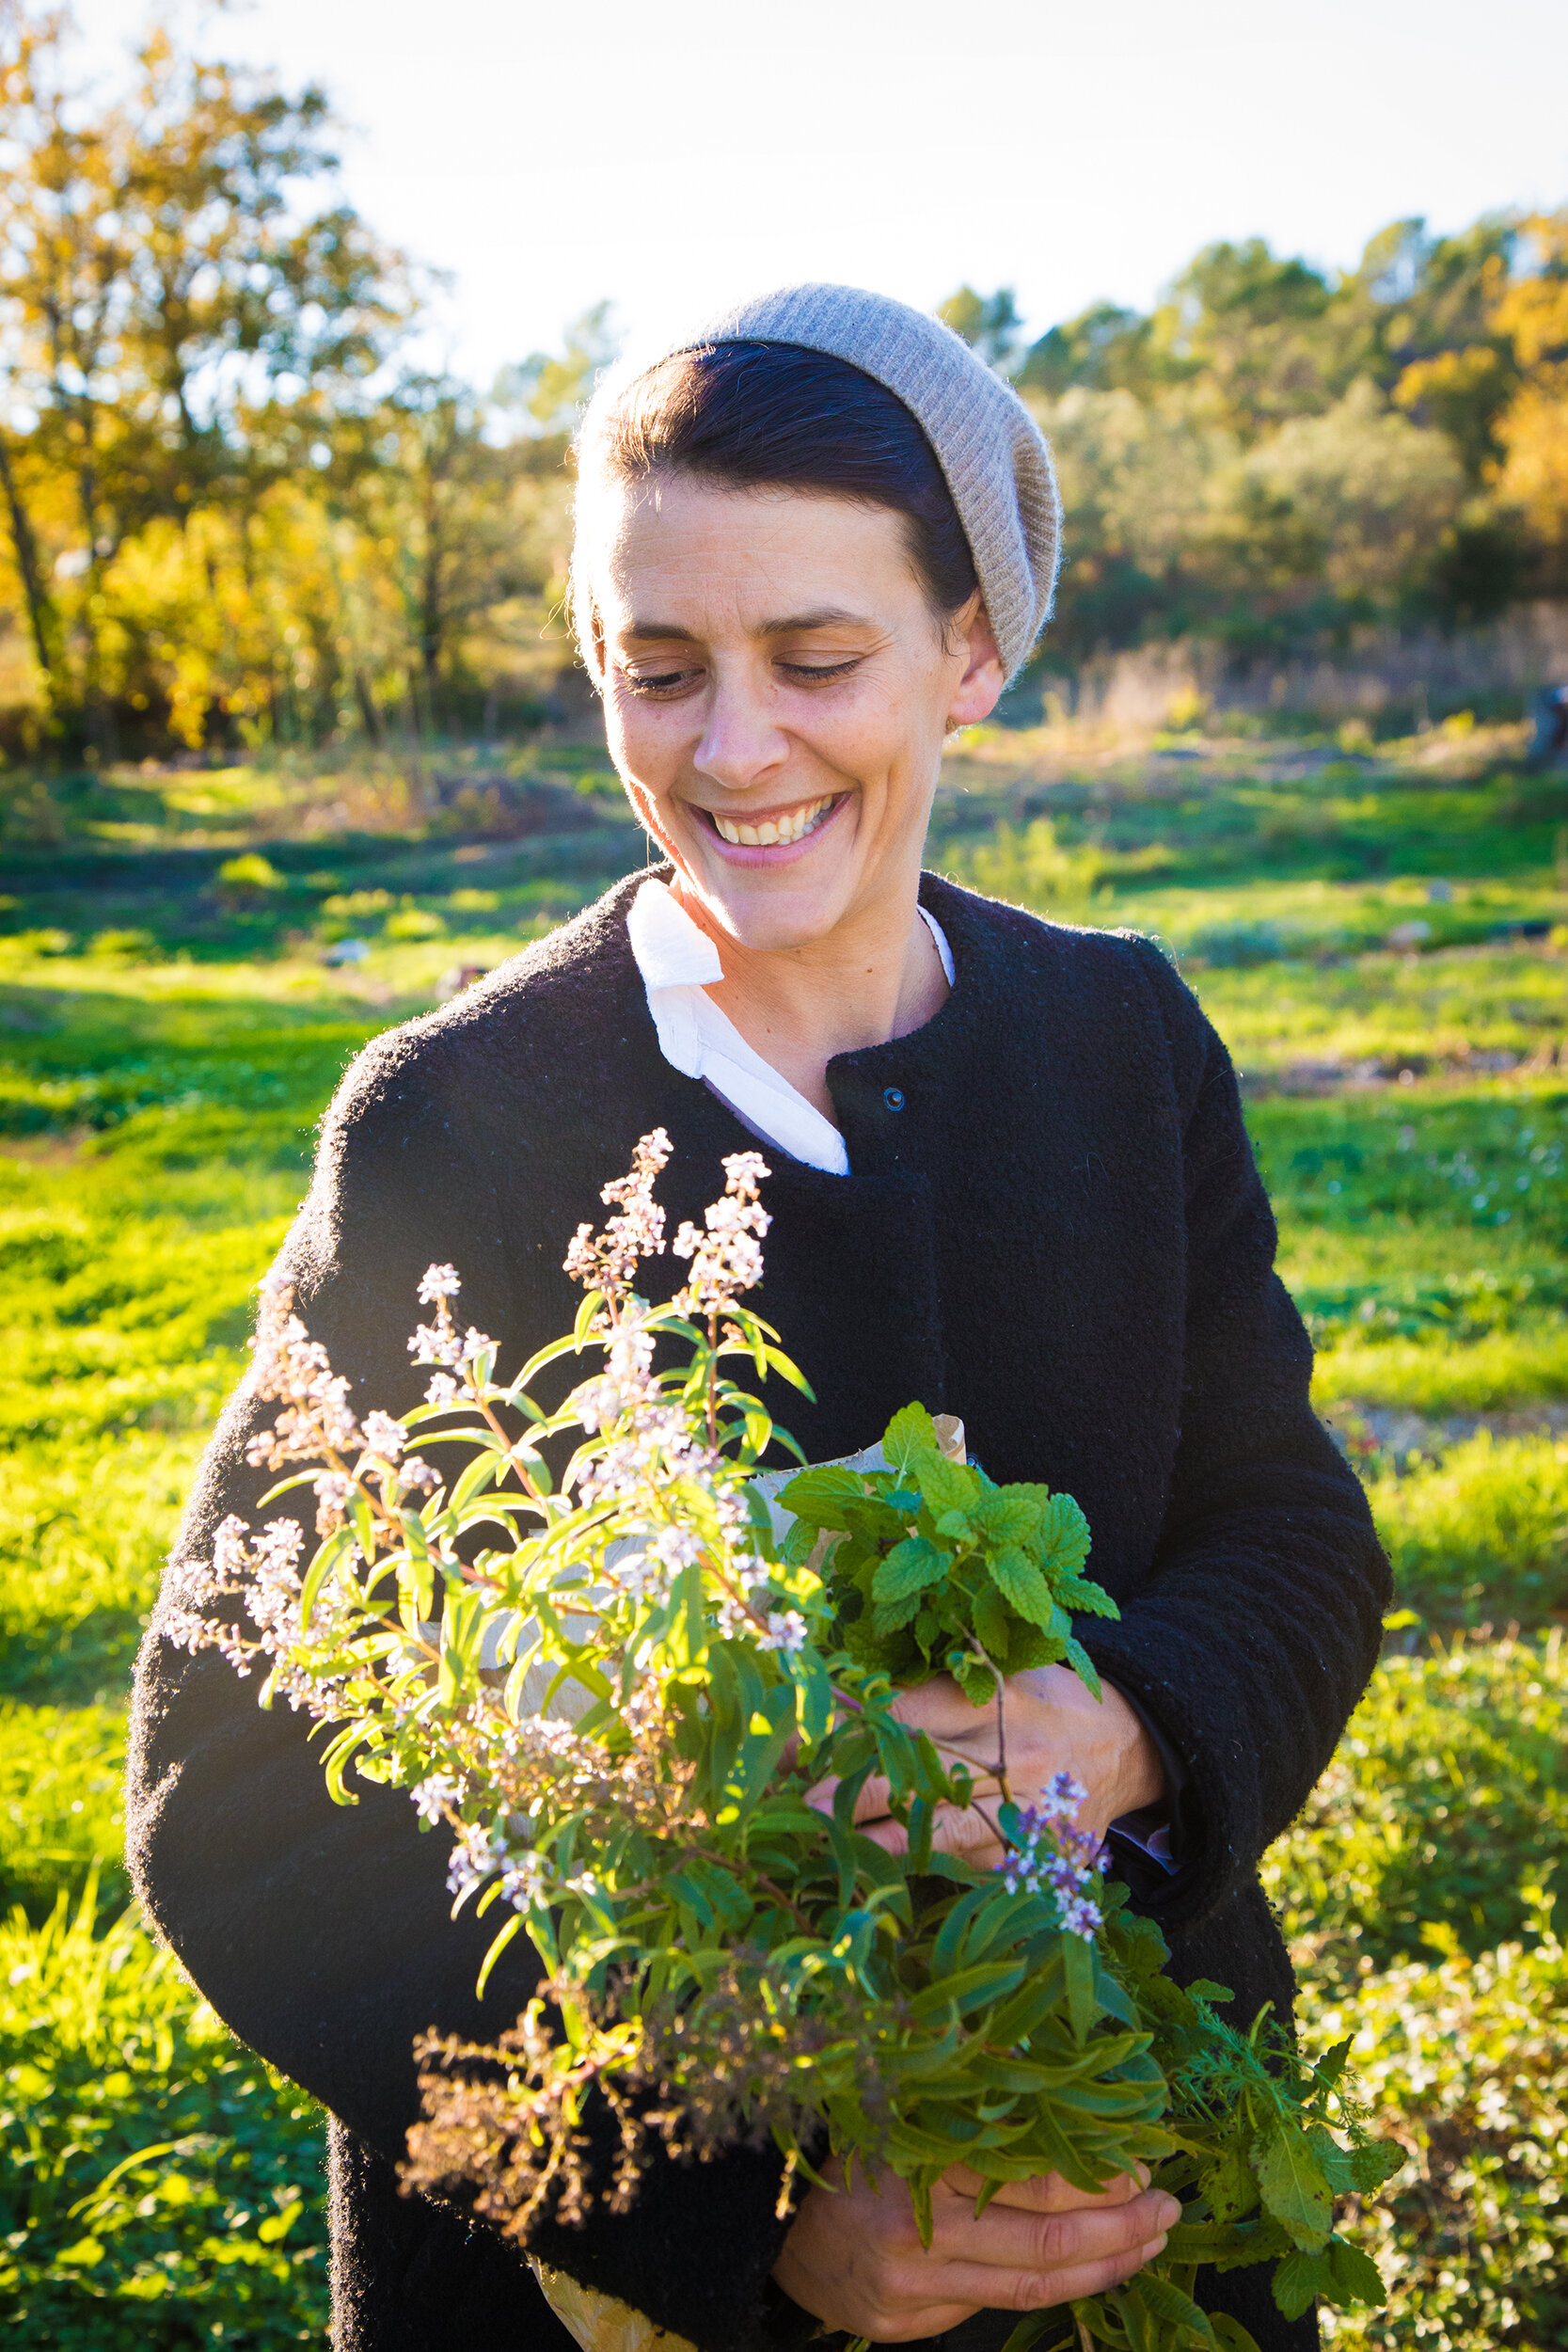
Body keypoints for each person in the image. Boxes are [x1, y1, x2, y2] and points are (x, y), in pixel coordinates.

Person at [127, 286, 1389, 2352]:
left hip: (1126, 2187)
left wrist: (1131, 1727)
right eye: (659, 669)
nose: (733, 748)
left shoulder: (1123, 1040)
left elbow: (1292, 1525)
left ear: (972, 647)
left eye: (817, 658)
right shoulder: (462, 1119)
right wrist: (737, 2210)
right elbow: (234, 1801)